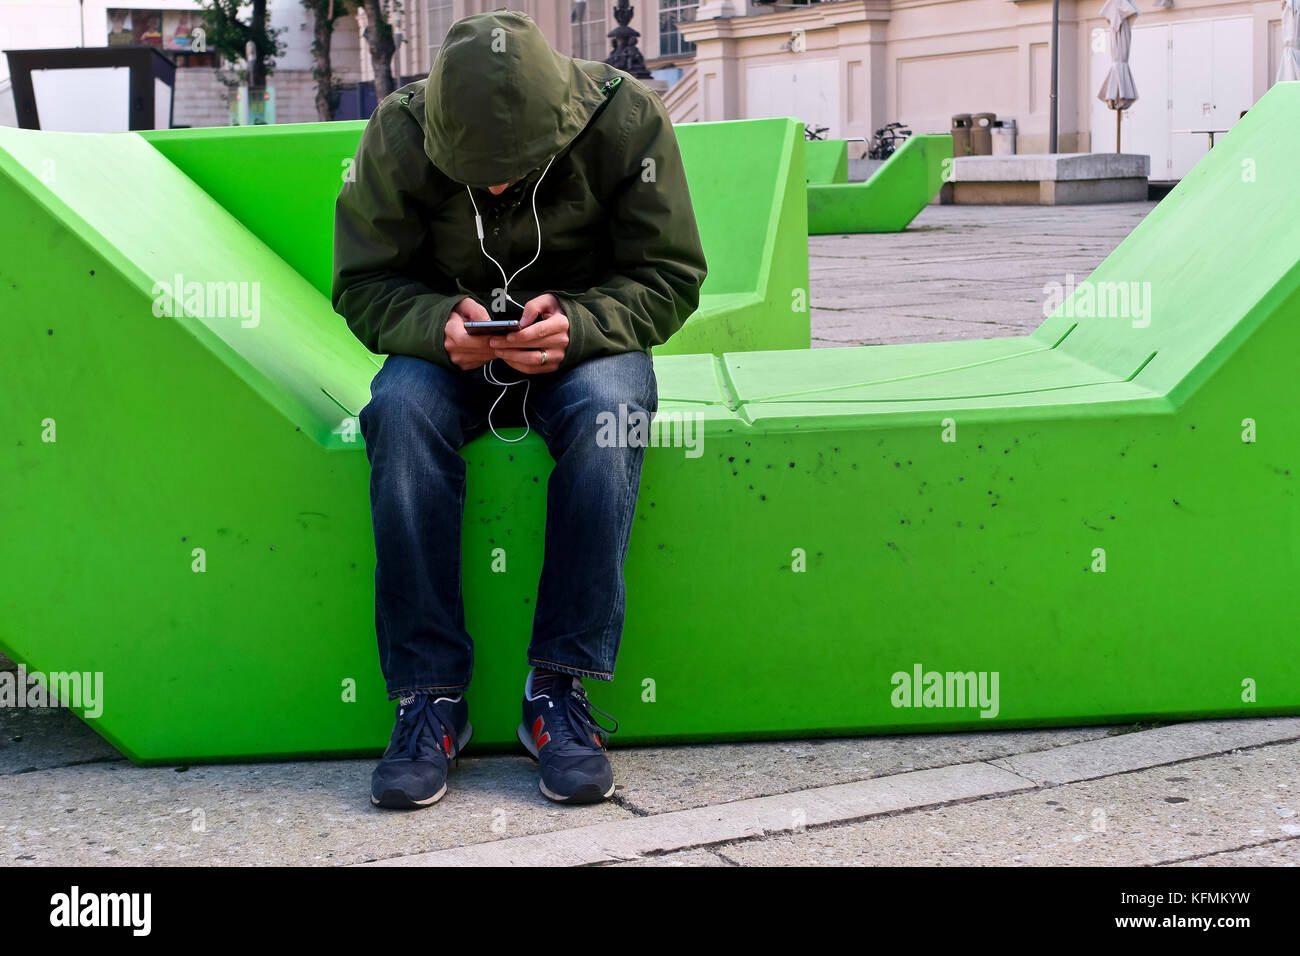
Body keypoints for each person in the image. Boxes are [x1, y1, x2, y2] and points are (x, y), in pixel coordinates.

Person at [331, 9, 707, 809]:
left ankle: (558, 694)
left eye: (517, 169)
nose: (497, 186)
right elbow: (363, 284)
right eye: (476, 172)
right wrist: (436, 327)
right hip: (449, 352)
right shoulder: (396, 133)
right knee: (398, 415)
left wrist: (583, 327)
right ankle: (428, 699)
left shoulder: (628, 118)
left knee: (611, 415)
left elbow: (669, 275)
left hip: (584, 347)